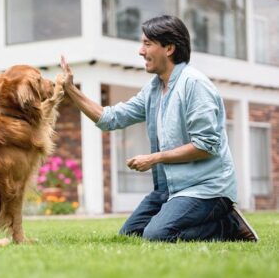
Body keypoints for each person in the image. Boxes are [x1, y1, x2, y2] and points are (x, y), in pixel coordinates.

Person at [60, 15, 258, 242]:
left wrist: (155, 158)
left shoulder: (194, 85)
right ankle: (210, 221)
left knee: (157, 235)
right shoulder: (153, 90)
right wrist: (71, 90)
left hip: (207, 189)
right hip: (169, 190)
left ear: (169, 48)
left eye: (147, 43)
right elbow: (111, 118)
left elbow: (206, 146)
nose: (140, 51)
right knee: (130, 235)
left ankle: (227, 225)